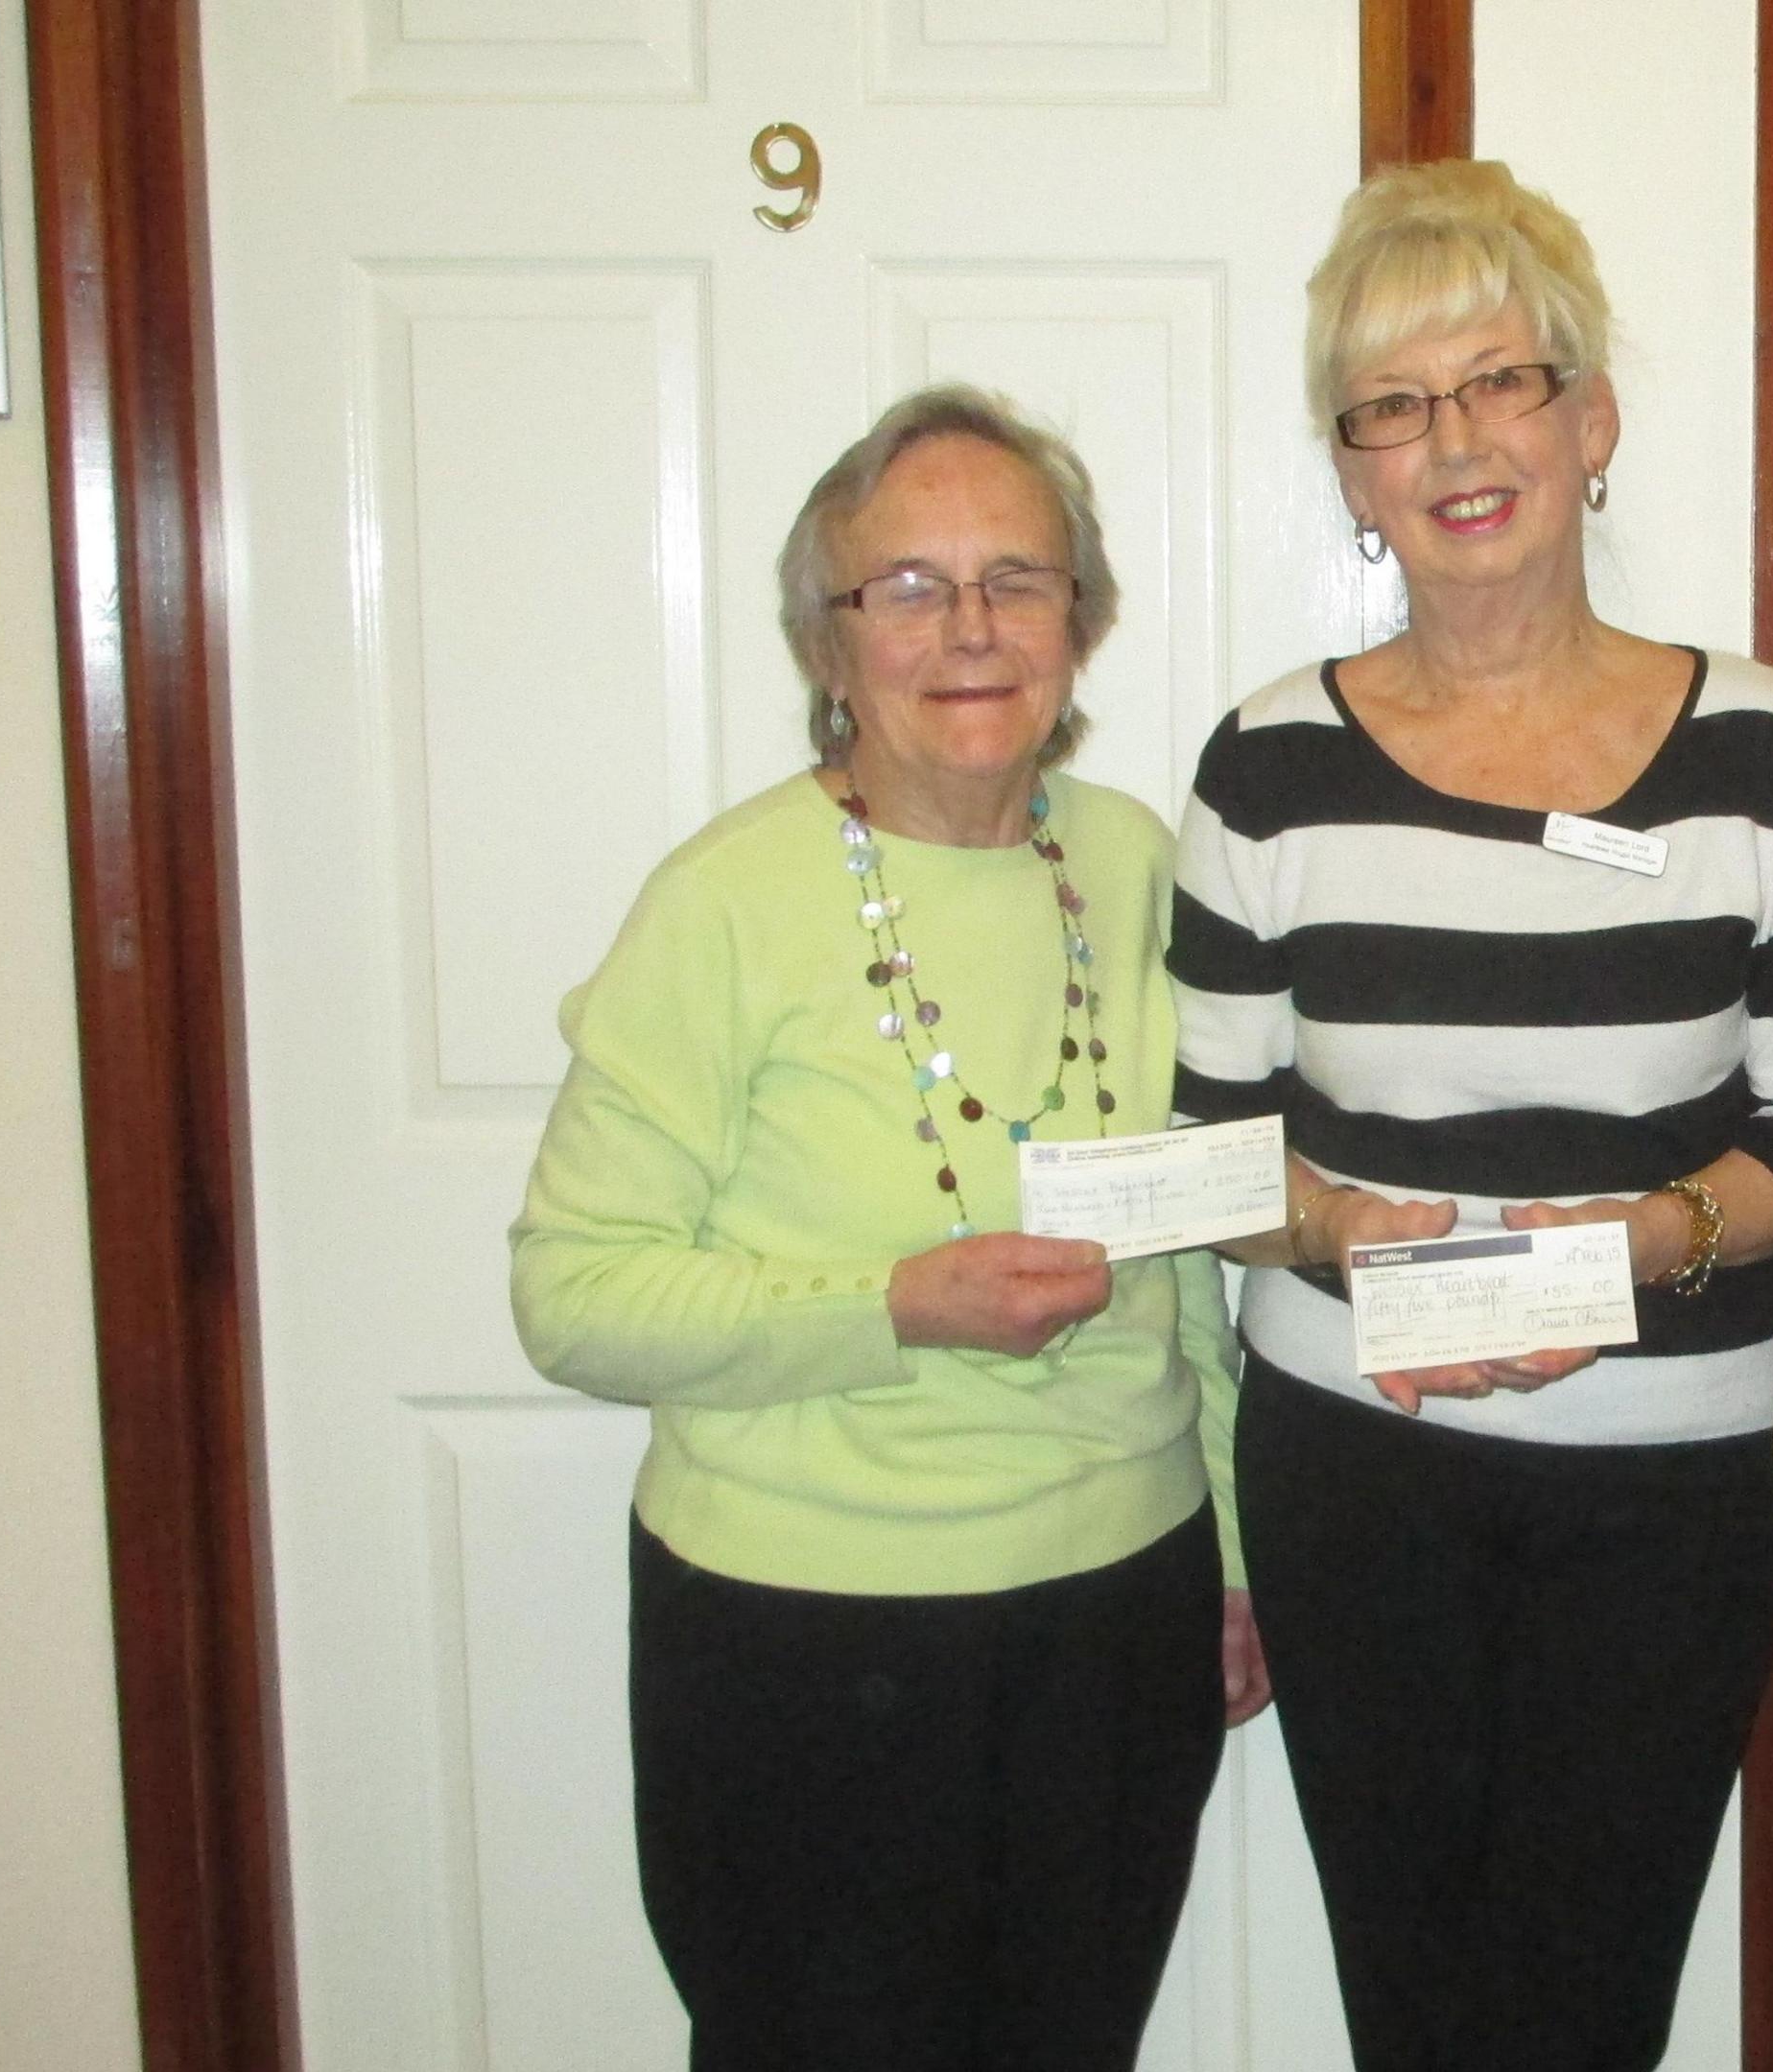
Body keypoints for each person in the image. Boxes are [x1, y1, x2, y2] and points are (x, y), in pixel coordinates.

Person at [1165, 159, 1773, 2071]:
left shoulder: (1755, 744)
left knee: (1589, 1999)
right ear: (1356, 468)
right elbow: (1210, 1147)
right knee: (1414, 1997)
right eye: (1394, 404)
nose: (1453, 441)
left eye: (1501, 382)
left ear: (1591, 420)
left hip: (1676, 1482)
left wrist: (1634, 1249)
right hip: (1361, 1465)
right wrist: (1335, 1229)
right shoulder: (1270, 760)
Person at [508, 385, 1264, 2072]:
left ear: (1082, 619)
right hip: (799, 1636)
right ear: (825, 642)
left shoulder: (1141, 866)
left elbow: (1193, 1244)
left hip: (1114, 1620)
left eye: (1019, 579)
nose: (972, 629)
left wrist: (1226, 1553)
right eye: (908, 588)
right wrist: (895, 1307)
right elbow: (571, 1295)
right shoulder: (722, 902)